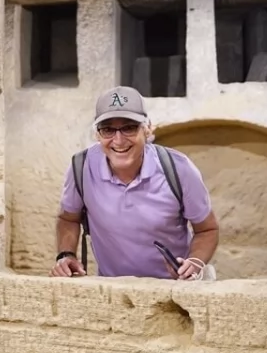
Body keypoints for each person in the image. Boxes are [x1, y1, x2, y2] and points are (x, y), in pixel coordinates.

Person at [50, 86, 219, 280]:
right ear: (97, 134)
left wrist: (196, 262)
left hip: (174, 290)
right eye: (108, 130)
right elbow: (68, 219)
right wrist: (66, 255)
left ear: (147, 129)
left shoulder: (178, 169)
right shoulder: (81, 167)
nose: (119, 140)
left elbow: (207, 229)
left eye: (129, 127)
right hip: (114, 291)